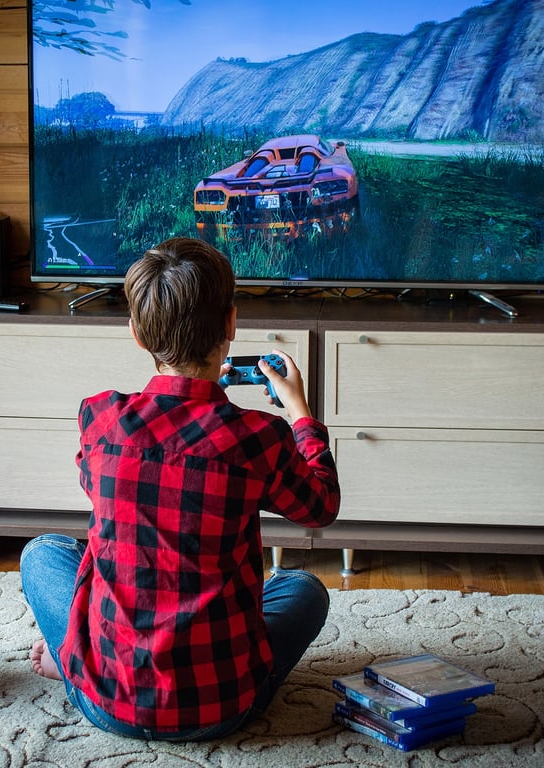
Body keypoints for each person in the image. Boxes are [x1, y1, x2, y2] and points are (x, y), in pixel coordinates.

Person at [20, 237, 340, 741]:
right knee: (305, 590)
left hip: (107, 702)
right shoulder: (258, 436)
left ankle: (73, 658)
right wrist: (299, 410)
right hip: (222, 706)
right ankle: (77, 657)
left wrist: (199, 406)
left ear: (137, 335)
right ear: (231, 324)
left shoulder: (100, 418)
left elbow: (99, 479)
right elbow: (321, 506)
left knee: (42, 553)